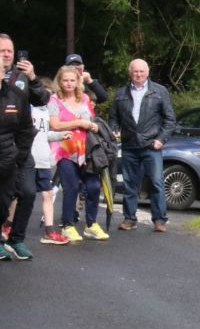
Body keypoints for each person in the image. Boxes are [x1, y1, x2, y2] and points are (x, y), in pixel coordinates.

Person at [109, 59, 176, 232]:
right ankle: (129, 218)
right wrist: (114, 129)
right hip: (130, 145)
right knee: (130, 184)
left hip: (151, 145)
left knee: (156, 182)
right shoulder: (121, 93)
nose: (138, 74)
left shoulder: (159, 91)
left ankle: (160, 220)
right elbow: (113, 118)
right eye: (135, 71)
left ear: (148, 72)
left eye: (142, 71)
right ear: (130, 72)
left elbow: (170, 120)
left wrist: (161, 139)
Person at [0, 34, 50, 259]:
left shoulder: (22, 77)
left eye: (9, 50)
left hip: (20, 147)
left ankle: (17, 239)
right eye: (2, 51)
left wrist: (33, 77)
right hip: (3, 148)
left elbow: (42, 100)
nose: (6, 55)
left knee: (28, 192)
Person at [48, 65, 109, 242]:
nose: (68, 83)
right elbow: (55, 125)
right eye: (65, 80)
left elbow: (90, 121)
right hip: (65, 150)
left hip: (86, 150)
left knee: (94, 186)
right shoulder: (54, 100)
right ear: (59, 82)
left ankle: (91, 224)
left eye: (72, 80)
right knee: (71, 187)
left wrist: (94, 126)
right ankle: (68, 225)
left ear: (77, 82)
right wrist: (79, 122)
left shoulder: (84, 98)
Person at [0, 58, 34, 261]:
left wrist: (17, 156)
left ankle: (14, 239)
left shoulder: (16, 95)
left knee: (3, 206)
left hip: (8, 161)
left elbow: (25, 130)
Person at [31, 77, 72, 246]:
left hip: (43, 160)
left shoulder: (48, 114)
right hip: (27, 159)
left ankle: (49, 231)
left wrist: (61, 135)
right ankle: (8, 226)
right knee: (18, 196)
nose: (46, 99)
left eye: (49, 95)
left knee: (47, 194)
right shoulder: (30, 110)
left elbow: (46, 134)